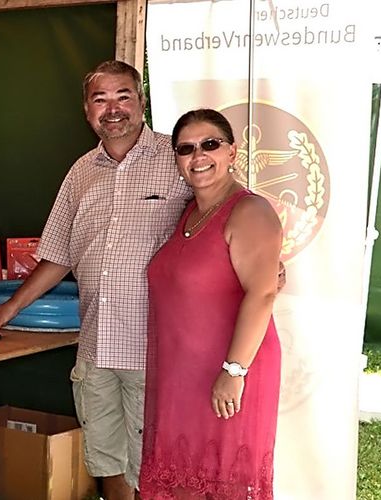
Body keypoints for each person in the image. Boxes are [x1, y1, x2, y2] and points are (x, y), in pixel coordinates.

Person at [0, 60, 191, 500]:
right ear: (86, 110)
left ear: (142, 101)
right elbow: (57, 254)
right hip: (96, 347)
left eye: (123, 96)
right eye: (101, 99)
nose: (112, 109)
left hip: (155, 348)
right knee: (106, 459)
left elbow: (229, 209)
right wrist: (8, 308)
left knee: (155, 466)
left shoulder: (178, 157)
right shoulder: (81, 172)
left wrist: (262, 261)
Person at [139, 108, 282, 500]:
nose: (198, 156)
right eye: (185, 149)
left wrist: (234, 371)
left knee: (220, 484)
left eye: (210, 144)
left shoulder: (250, 211)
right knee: (184, 482)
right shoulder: (190, 211)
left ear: (232, 151)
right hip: (182, 374)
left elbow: (263, 293)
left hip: (228, 370)